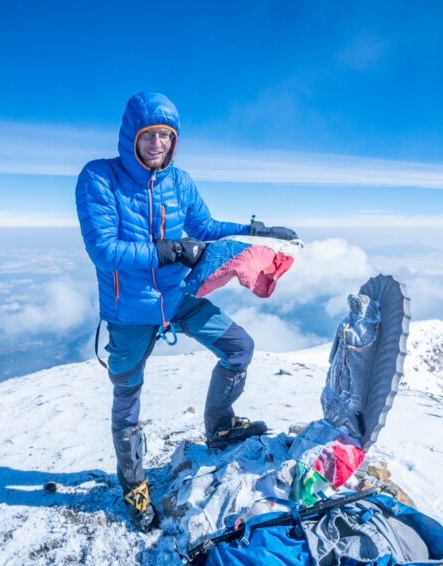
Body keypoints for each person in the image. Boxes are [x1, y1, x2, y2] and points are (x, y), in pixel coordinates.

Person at [75, 91, 297, 531]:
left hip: (177, 296)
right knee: (128, 396)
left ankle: (220, 428)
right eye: (150, 134)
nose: (158, 143)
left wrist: (253, 231)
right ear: (131, 137)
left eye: (166, 135)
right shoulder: (100, 178)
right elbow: (103, 250)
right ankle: (134, 483)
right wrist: (168, 249)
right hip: (129, 310)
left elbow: (205, 228)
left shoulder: (180, 182)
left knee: (239, 347)